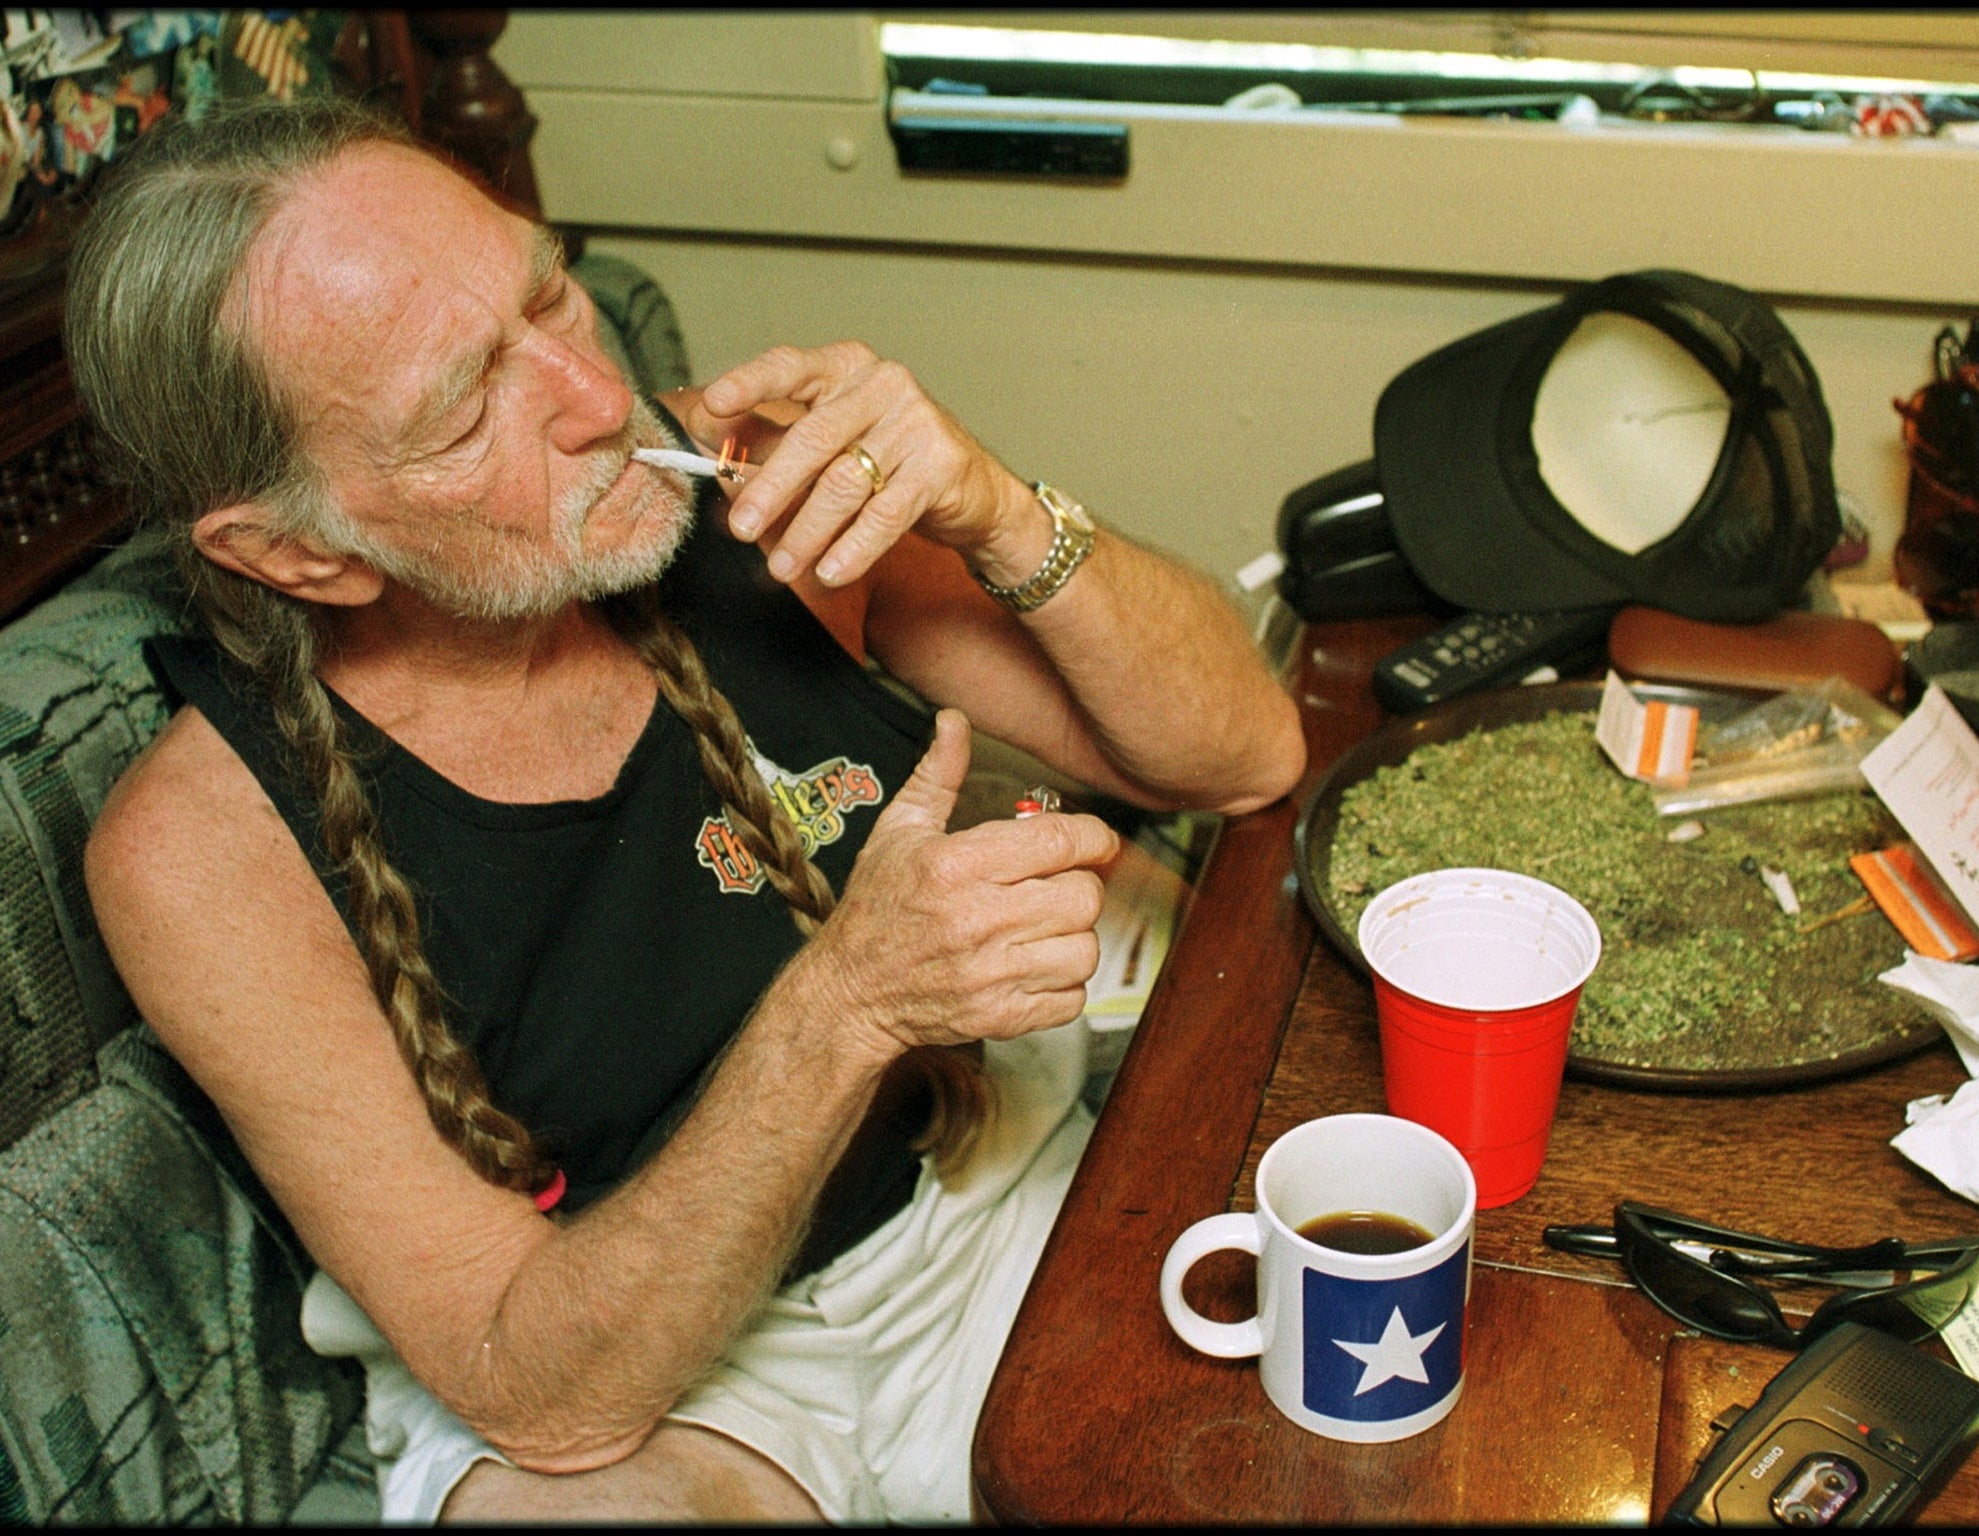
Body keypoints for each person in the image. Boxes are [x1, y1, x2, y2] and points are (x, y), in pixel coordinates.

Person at [67, 97, 1305, 1524]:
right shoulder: (202, 853)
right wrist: (844, 1006)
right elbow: (542, 1392)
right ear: (298, 551)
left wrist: (998, 510)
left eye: (551, 294)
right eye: (470, 408)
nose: (599, 399)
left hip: (980, 1193)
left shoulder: (745, 494)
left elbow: (1246, 756)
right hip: (660, 1379)